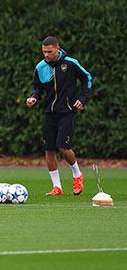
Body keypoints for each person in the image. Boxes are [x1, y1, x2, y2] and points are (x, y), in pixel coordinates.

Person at [26, 36, 91, 196]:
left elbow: (87, 79)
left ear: (57, 49)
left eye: (50, 51)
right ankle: (57, 187)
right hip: (49, 113)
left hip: (67, 112)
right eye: (44, 52)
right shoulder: (40, 67)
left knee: (63, 146)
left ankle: (77, 174)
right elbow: (38, 88)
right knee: (49, 150)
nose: (46, 55)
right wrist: (34, 97)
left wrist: (82, 99)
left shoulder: (70, 63)